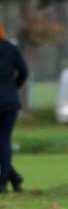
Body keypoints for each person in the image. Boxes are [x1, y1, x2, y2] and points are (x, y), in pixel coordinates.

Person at [0, 23, 28, 194]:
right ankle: (13, 178)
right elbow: (24, 72)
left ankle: (3, 181)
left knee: (2, 142)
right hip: (9, 103)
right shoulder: (11, 49)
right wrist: (12, 88)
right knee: (4, 141)